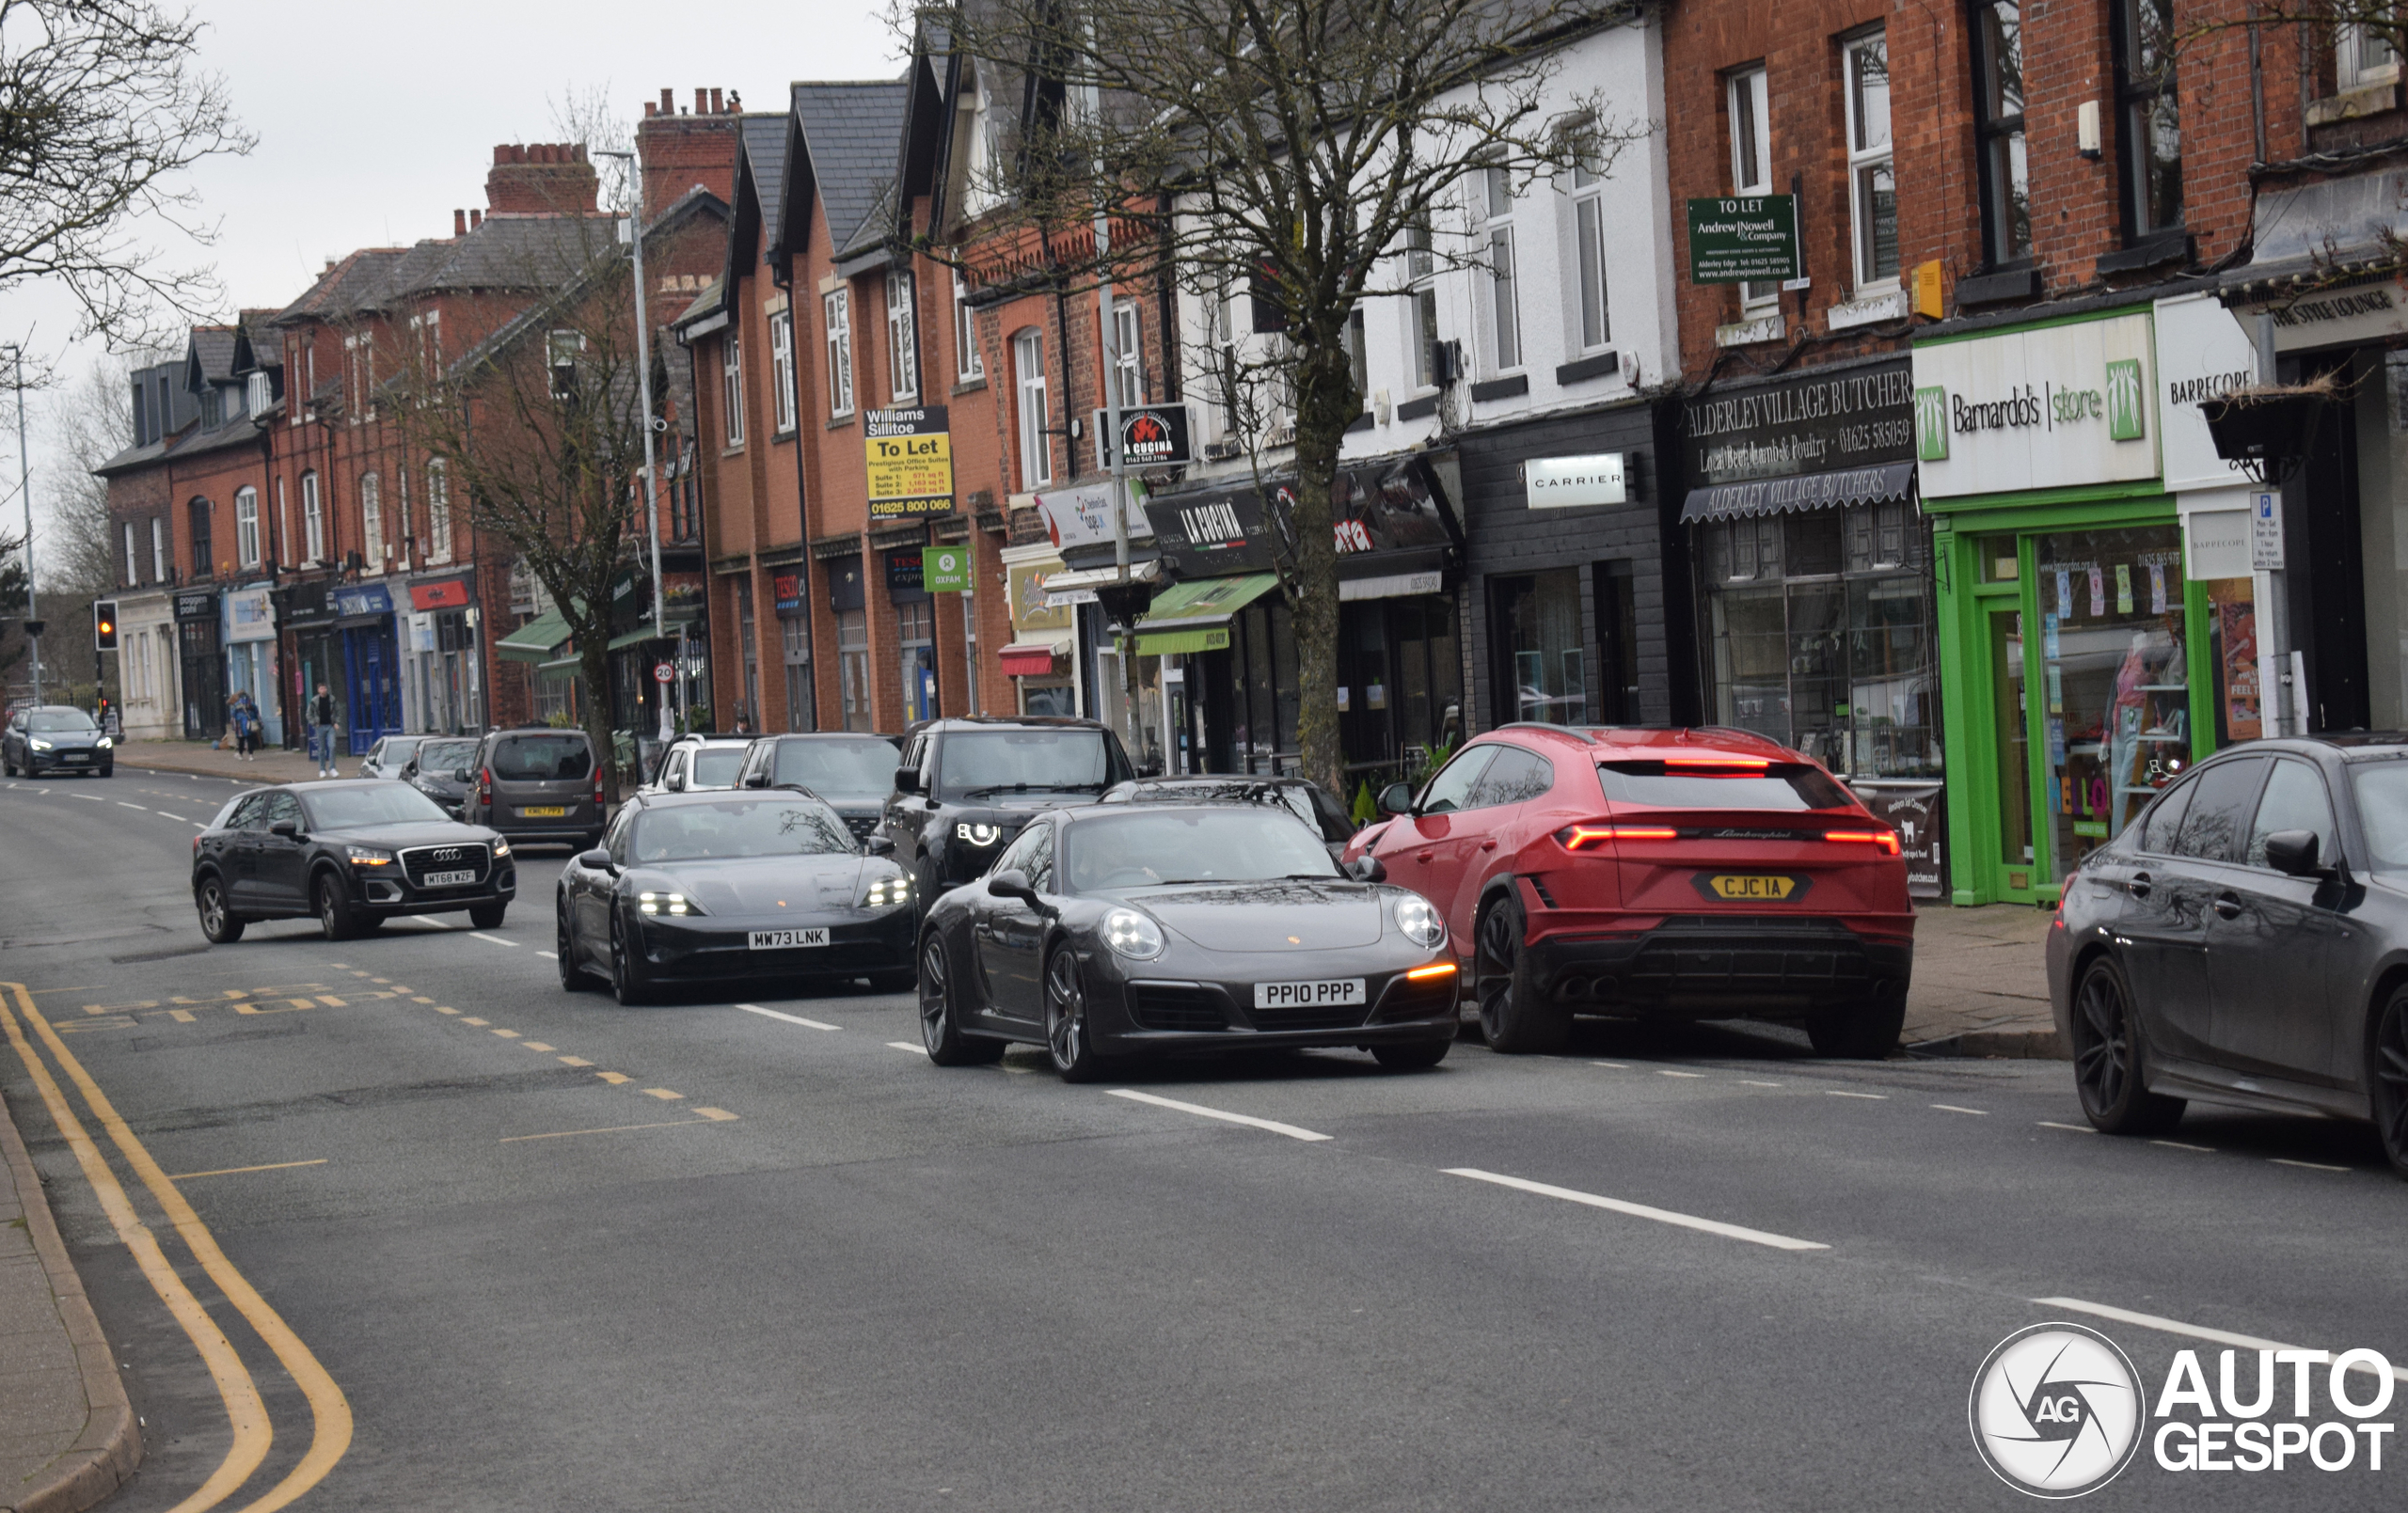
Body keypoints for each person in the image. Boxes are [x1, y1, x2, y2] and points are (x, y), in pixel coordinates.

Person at [310, 684, 338, 778]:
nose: (323, 690)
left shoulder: (332, 699)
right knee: (321, 749)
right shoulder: (314, 701)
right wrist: (314, 723)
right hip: (320, 726)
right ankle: (322, 769)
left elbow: (337, 712)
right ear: (318, 690)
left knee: (332, 746)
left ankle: (332, 768)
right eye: (321, 688)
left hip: (330, 726)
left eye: (325, 688)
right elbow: (308, 714)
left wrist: (336, 722)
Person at [230, 690, 259, 760]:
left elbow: (233, 715)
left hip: (240, 724)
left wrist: (233, 726)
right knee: (250, 739)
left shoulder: (237, 704)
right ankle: (251, 755)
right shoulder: (251, 703)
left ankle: (240, 754)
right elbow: (256, 712)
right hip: (250, 723)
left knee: (241, 740)